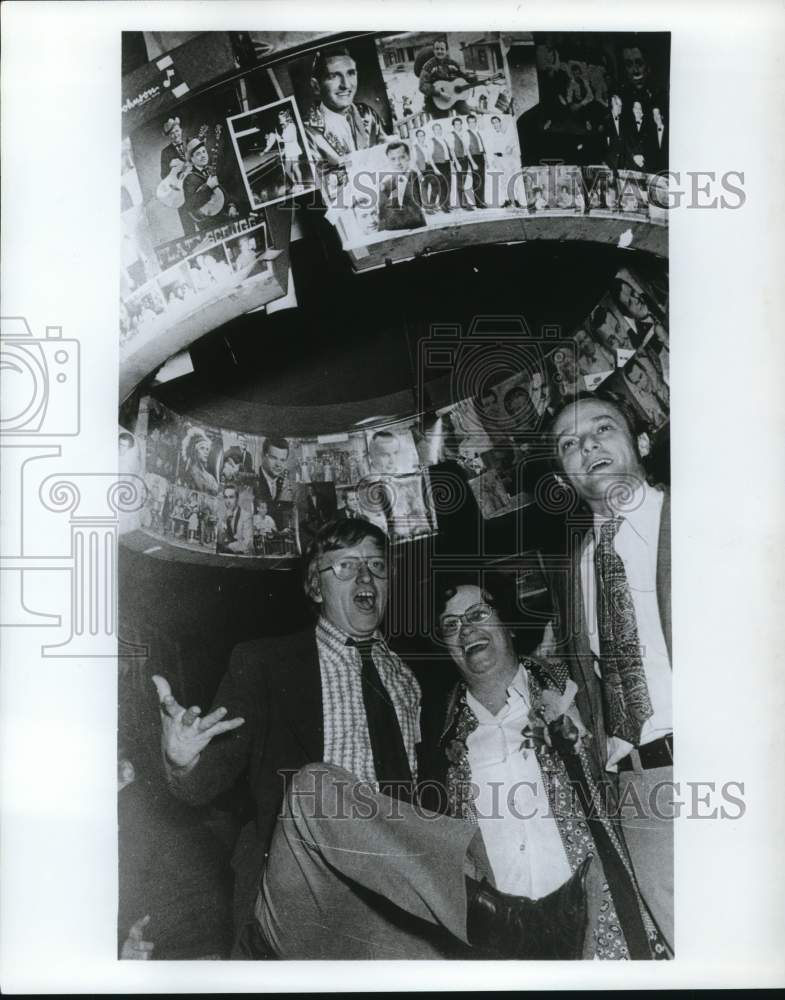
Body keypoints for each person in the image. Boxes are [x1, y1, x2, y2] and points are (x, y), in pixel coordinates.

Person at [153, 519, 589, 959]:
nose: (365, 577)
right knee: (315, 786)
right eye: (345, 566)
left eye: (377, 566)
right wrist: (182, 760)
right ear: (315, 586)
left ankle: (494, 923)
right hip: (307, 889)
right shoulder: (265, 664)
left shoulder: (416, 677)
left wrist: (553, 682)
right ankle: (503, 921)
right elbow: (201, 783)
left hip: (396, 914)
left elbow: (489, 685)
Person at [420, 577, 669, 959]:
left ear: (509, 624)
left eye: (477, 614)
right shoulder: (439, 738)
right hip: (510, 942)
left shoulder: (574, 693)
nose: (465, 629)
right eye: (450, 625)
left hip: (599, 922)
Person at [545, 390, 673, 954]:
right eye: (569, 444)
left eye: (603, 429)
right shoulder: (573, 572)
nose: (587, 445)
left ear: (642, 442)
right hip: (640, 791)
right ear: (567, 477)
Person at [303, 47, 386, 197]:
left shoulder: (367, 114)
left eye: (351, 73)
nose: (346, 85)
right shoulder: (307, 133)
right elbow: (317, 189)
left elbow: (390, 156)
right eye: (334, 76)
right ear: (316, 86)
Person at [418, 38, 481, 119]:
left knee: (468, 116)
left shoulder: (453, 64)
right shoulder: (428, 66)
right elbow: (422, 86)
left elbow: (464, 77)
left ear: (446, 51)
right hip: (436, 101)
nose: (439, 51)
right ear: (433, 51)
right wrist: (439, 94)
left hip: (454, 98)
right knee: (442, 123)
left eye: (442, 49)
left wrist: (478, 80)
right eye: (437, 49)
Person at [378, 142, 426, 231]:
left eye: (402, 157)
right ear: (388, 160)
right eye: (393, 159)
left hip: (419, 229)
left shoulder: (418, 177)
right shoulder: (385, 185)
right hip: (396, 234)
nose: (398, 163)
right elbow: (382, 217)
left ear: (409, 157)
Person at [182, 138, 225, 231]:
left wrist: (231, 206)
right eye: (198, 154)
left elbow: (221, 191)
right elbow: (191, 205)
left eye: (204, 152)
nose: (203, 156)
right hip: (209, 223)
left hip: (223, 214)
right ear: (192, 159)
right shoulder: (189, 179)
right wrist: (208, 187)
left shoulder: (210, 169)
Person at [262, 108, 306, 193]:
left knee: (295, 167)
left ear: (286, 118)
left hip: (294, 150)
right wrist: (282, 152)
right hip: (289, 150)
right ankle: (296, 184)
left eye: (281, 118)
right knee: (287, 169)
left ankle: (301, 186)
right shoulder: (284, 127)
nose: (279, 119)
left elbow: (291, 139)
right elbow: (286, 143)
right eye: (279, 118)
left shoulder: (292, 126)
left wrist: (280, 139)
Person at [257, 436, 292, 530]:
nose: (278, 465)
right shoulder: (253, 482)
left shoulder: (285, 484)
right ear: (262, 455)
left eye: (282, 460)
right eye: (273, 458)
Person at [216, 484, 254, 555]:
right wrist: (225, 520)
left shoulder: (246, 516)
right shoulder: (223, 516)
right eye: (226, 497)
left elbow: (248, 544)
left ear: (237, 499)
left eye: (231, 497)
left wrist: (227, 547)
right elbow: (218, 541)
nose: (228, 501)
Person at [180, 427, 219, 496]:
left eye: (207, 449)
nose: (206, 452)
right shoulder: (190, 472)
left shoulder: (210, 477)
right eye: (202, 448)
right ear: (195, 451)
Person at [427, 121, 456, 212]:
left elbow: (448, 154)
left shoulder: (444, 140)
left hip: (446, 164)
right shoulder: (431, 141)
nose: (438, 131)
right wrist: (435, 168)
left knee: (448, 185)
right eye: (436, 129)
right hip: (439, 165)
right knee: (442, 186)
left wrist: (451, 163)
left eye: (439, 129)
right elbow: (429, 157)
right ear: (433, 131)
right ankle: (443, 206)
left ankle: (447, 204)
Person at [450, 117, 476, 211]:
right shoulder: (451, 135)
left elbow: (467, 149)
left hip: (465, 159)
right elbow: (452, 151)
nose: (458, 126)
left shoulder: (463, 134)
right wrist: (457, 163)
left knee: (464, 182)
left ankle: (464, 202)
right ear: (453, 126)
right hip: (459, 160)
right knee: (460, 182)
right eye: (456, 124)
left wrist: (471, 161)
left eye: (459, 124)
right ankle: (463, 204)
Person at [464, 114, 487, 209]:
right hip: (474, 157)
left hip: (480, 156)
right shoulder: (466, 133)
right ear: (468, 123)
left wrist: (485, 158)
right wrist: (472, 162)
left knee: (482, 180)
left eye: (474, 122)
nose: (472, 124)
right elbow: (466, 149)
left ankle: (482, 201)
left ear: (475, 122)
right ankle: (478, 203)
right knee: (477, 180)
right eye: (470, 122)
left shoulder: (477, 132)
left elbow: (482, 147)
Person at [603, 93, 627, 171]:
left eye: (621, 105)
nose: (620, 108)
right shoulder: (605, 121)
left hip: (622, 163)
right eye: (617, 105)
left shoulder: (624, 122)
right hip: (609, 163)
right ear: (612, 105)